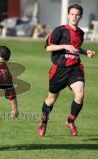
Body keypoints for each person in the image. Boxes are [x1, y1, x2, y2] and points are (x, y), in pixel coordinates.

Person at [38, 4, 95, 137]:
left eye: (77, 15)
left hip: (75, 69)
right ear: (68, 15)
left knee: (80, 95)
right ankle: (44, 122)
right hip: (59, 70)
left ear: (80, 16)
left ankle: (70, 121)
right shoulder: (60, 30)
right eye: (72, 14)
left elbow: (75, 48)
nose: (74, 17)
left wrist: (86, 52)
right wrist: (64, 46)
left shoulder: (81, 32)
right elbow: (48, 47)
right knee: (51, 99)